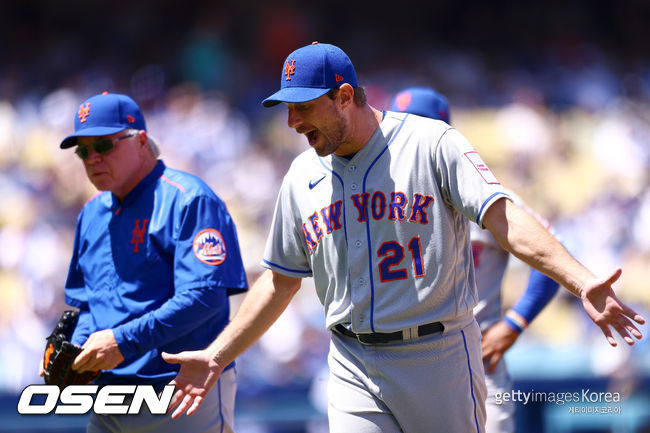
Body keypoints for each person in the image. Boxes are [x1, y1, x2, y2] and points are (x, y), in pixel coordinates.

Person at [162, 43, 644, 432]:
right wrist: (216, 354)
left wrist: (582, 283)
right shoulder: (300, 175)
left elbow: (505, 220)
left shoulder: (433, 144)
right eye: (287, 109)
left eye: (304, 107)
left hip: (435, 357)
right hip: (349, 359)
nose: (292, 122)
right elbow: (280, 280)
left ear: (344, 97)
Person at [50, 92, 248, 433]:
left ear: (141, 141)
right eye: (83, 150)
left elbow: (204, 298)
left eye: (104, 145)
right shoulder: (92, 213)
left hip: (180, 391)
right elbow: (84, 305)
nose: (92, 158)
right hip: (108, 397)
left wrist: (121, 341)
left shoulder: (188, 200)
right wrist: (77, 350)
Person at [390, 86, 561, 433]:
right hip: (404, 362)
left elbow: (550, 254)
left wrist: (515, 323)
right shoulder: (379, 201)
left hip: (477, 357)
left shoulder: (484, 193)